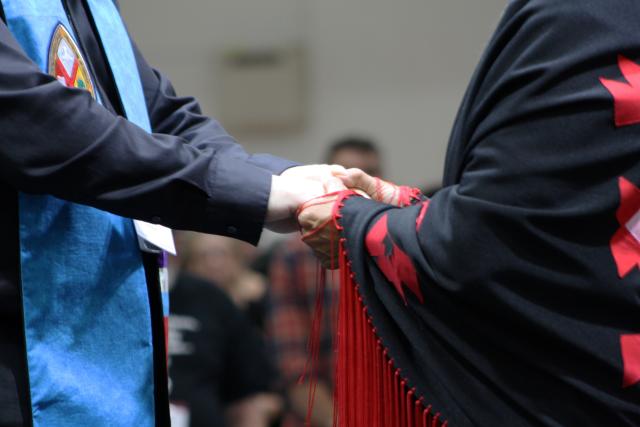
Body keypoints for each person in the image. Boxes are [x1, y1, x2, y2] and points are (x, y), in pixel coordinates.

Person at [0, 1, 344, 426]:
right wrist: (262, 192)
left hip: (119, 364)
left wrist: (288, 178)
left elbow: (160, 114)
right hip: (19, 367)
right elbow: (45, 127)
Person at [299, 0, 640, 425]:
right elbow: (572, 218)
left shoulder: (584, 17)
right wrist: (407, 207)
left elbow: (485, 244)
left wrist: (354, 222)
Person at [267, 137, 382, 427]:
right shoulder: (294, 255)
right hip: (319, 416)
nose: (356, 185)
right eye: (348, 174)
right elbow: (295, 365)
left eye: (367, 174)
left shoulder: (396, 249)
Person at [168, 232, 282, 427]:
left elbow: (254, 393)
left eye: (221, 255)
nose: (214, 264)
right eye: (204, 256)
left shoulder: (217, 301)